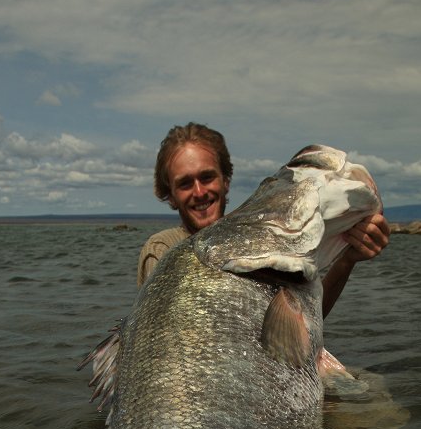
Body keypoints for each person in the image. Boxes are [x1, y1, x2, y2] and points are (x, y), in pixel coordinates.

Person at [137, 122, 390, 317]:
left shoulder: (265, 244)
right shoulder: (162, 250)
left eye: (207, 177)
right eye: (184, 184)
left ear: (226, 181)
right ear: (170, 195)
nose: (200, 192)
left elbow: (301, 323)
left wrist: (347, 259)